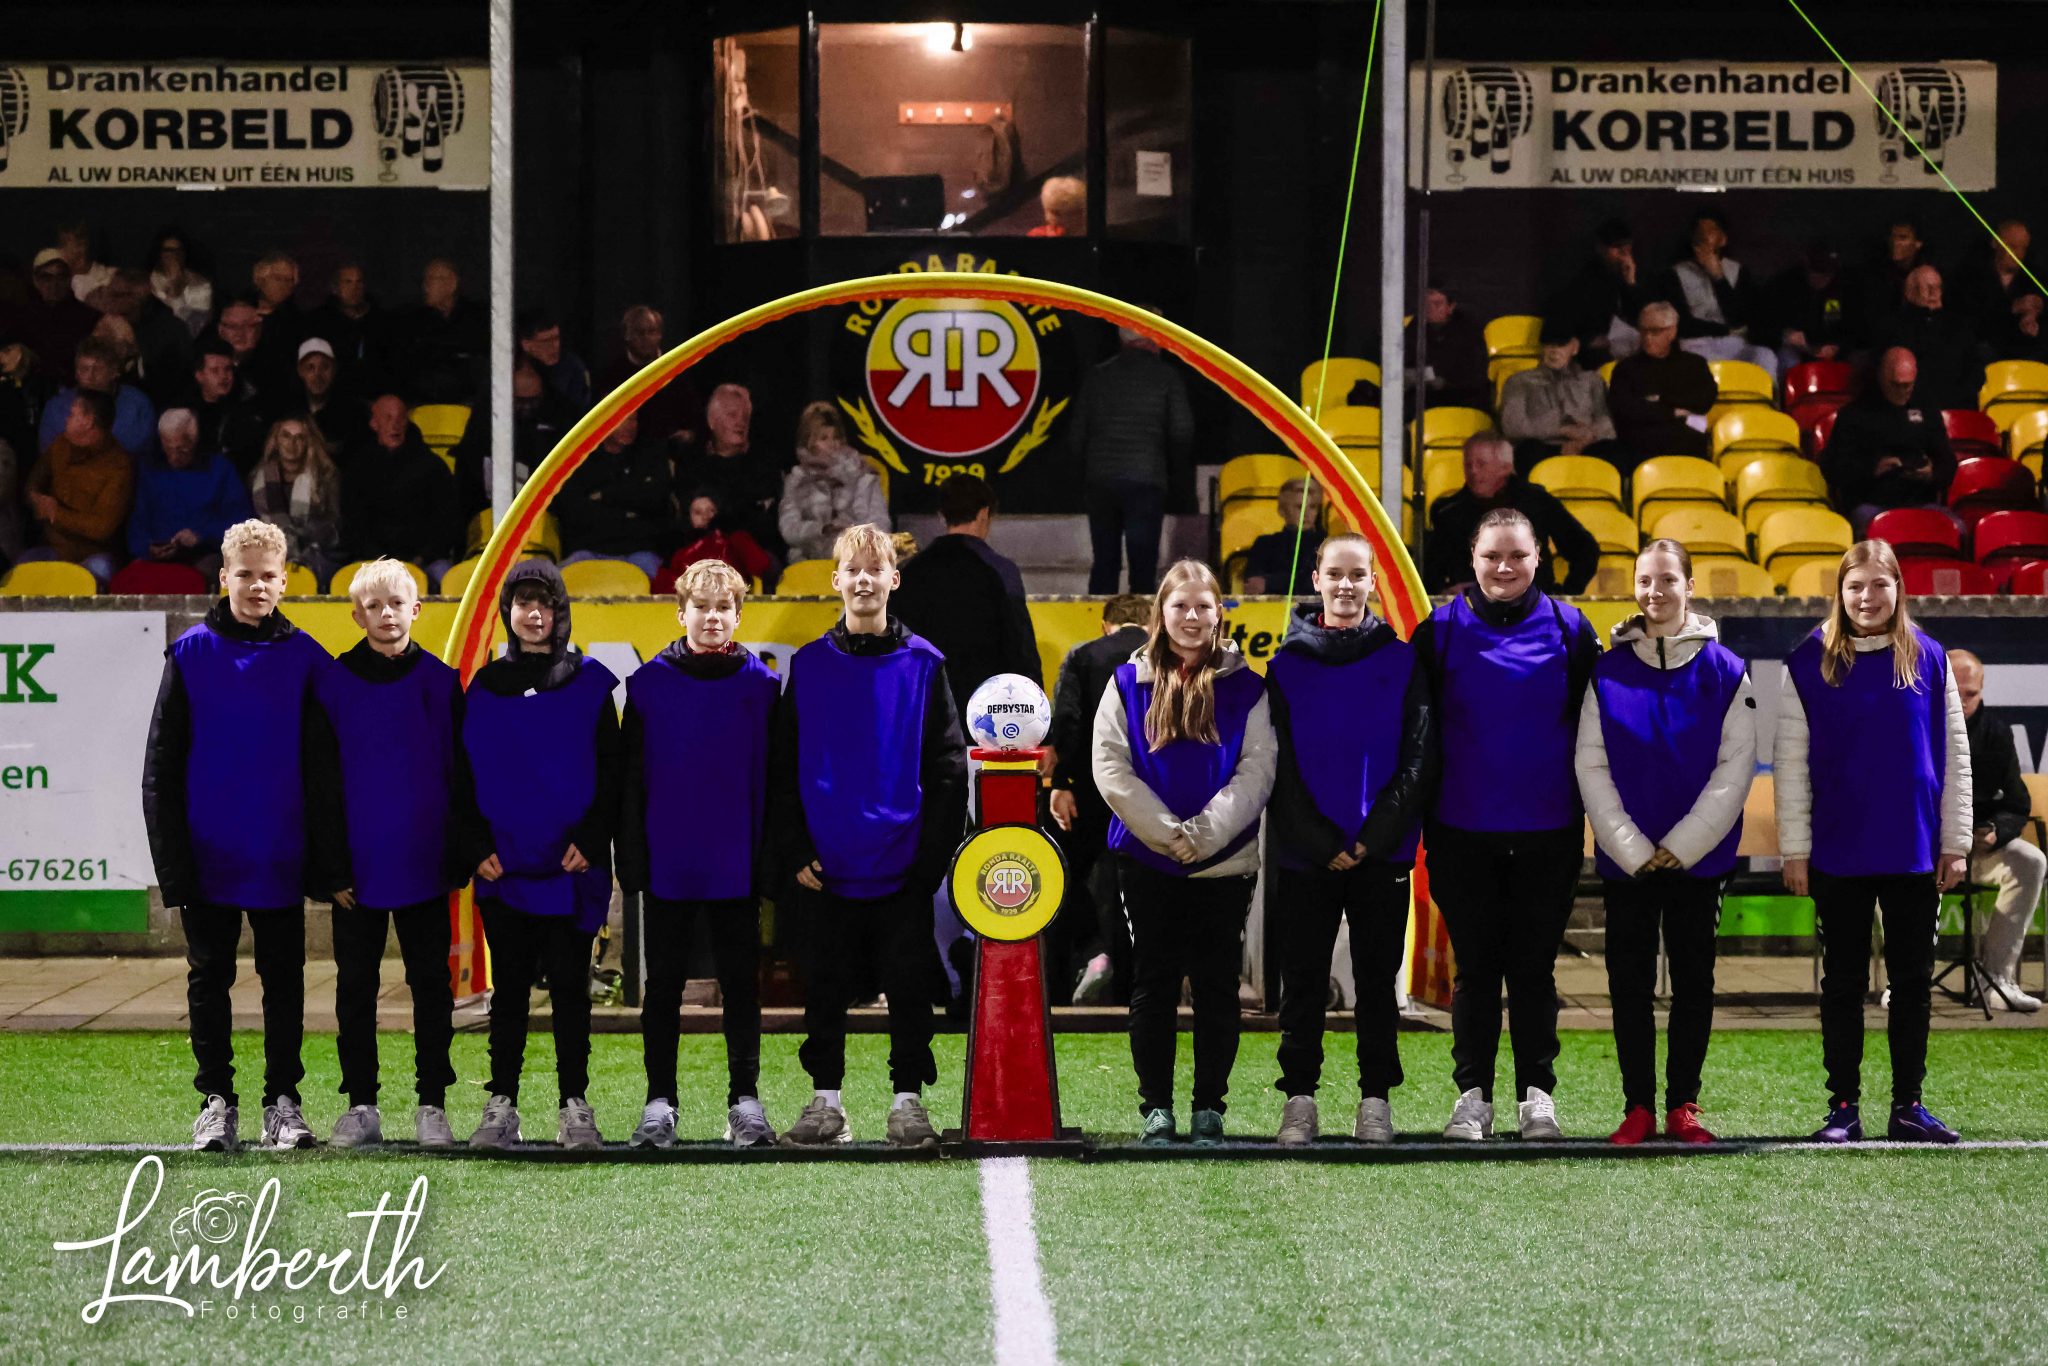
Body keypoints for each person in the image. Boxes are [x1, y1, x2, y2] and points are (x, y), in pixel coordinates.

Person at [770, 524, 968, 1149]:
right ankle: (825, 1103)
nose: (862, 580)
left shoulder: (926, 663)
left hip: (902, 867)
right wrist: (796, 848)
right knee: (823, 990)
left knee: (909, 992)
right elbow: (783, 765)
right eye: (852, 570)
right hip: (826, 868)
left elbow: (948, 770)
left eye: (874, 569)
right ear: (835, 580)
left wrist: (929, 861)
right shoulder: (808, 664)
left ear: (893, 579)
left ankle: (907, 1103)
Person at [141, 518, 334, 1151]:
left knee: (285, 981)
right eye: (244, 574)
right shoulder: (190, 653)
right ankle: (216, 1102)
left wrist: (326, 861)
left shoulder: (306, 657)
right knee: (209, 980)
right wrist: (173, 867)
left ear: (285, 581)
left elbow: (329, 767)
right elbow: (160, 768)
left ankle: (283, 1102)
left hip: (280, 855)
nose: (256, 586)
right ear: (223, 577)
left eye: (267, 576)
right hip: (209, 858)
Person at [1412, 507, 1600, 1142]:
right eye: (1492, 555)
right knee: (1474, 971)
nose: (1504, 566)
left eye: (1517, 555)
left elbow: (1595, 724)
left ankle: (1536, 1098)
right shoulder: (1439, 631)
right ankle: (1473, 1098)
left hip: (1549, 831)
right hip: (1461, 832)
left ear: (1538, 557)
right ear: (1472, 559)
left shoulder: (1571, 628)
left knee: (1533, 971)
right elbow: (1417, 734)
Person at [1776, 540, 1971, 1144]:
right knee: (1842, 985)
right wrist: (1795, 849)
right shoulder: (1807, 662)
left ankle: (1908, 1106)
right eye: (1855, 586)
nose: (1867, 597)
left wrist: (1956, 841)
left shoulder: (1929, 657)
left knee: (1911, 984)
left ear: (1898, 589)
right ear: (1840, 592)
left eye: (1879, 585)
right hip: (1838, 853)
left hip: (1914, 850)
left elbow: (1954, 758)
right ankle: (1843, 1109)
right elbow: (1790, 766)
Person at [1574, 540, 1756, 1146]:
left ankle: (1683, 1106)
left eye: (1667, 580)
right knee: (1628, 987)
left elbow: (1736, 769)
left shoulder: (1726, 670)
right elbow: (1591, 764)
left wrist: (1684, 844)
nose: (1655, 592)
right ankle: (1638, 1108)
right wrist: (1630, 846)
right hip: (1627, 864)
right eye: (1645, 581)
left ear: (1689, 586)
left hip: (1700, 864)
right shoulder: (1606, 671)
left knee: (1693, 985)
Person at [1093, 559, 1277, 1146]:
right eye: (1180, 606)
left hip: (1224, 863)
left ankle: (1208, 1109)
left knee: (1218, 987)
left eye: (1203, 606)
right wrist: (1167, 833)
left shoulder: (1249, 688)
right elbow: (1110, 767)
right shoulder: (1126, 682)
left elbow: (1257, 771)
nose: (1192, 617)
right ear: (1161, 614)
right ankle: (1157, 1109)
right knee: (1154, 983)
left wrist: (1203, 836)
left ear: (1219, 613)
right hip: (1146, 860)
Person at [1268, 534, 1433, 1145]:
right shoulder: (1285, 666)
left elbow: (1419, 758)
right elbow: (1276, 766)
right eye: (1335, 573)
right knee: (1302, 983)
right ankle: (1300, 1099)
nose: (1345, 584)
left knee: (1377, 985)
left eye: (1357, 574)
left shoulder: (1403, 661)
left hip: (1380, 852)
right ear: (1316, 579)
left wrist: (1373, 837)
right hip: (1305, 854)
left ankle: (1375, 1099)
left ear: (1372, 581)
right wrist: (1317, 840)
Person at [617, 559, 782, 1149]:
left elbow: (776, 782)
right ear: (680, 613)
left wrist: (768, 861)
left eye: (723, 608)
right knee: (662, 988)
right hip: (669, 862)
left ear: (739, 615)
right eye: (702, 607)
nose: (712, 617)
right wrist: (631, 859)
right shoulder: (648, 685)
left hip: (737, 863)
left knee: (741, 986)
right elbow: (630, 782)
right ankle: (659, 1102)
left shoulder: (762, 686)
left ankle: (745, 1102)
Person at [461, 559, 622, 1150]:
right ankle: (501, 1103)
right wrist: (476, 846)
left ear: (560, 611)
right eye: (522, 603)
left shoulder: (591, 683)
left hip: (571, 869)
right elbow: (462, 774)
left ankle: (574, 1104)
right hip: (503, 868)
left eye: (544, 603)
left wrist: (593, 838)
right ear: (508, 612)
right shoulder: (484, 688)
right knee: (508, 993)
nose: (533, 614)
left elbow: (613, 770)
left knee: (571, 991)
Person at [311, 559, 466, 1149]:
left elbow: (460, 777)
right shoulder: (333, 683)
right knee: (356, 987)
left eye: (396, 604)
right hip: (356, 871)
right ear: (357, 616)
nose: (386, 614)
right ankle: (361, 1104)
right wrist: (330, 867)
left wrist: (456, 855)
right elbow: (319, 783)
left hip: (426, 865)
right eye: (373, 606)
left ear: (415, 610)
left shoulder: (442, 683)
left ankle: (433, 1104)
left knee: (431, 985)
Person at [1047, 595, 1152, 1005]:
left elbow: (1067, 720)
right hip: (1149, 792)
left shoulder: (1082, 655)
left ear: (1105, 623)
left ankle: (1075, 968)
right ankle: (1133, 987)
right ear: (1150, 623)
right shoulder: (1162, 655)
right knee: (1141, 887)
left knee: (1063, 877)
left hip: (1090, 789)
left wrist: (1062, 782)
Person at [892, 472, 1041, 722]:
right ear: (984, 514)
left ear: (942, 515)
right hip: (985, 713)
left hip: (924, 708)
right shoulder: (1000, 570)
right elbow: (1020, 647)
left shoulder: (909, 572)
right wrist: (1034, 715)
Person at [1950, 650, 2044, 1012]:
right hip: (1926, 849)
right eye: (1953, 691)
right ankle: (1904, 981)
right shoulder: (1910, 728)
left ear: (1982, 691)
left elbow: (2018, 804)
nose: (1962, 701)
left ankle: (1997, 980)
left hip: (1978, 847)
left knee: (2030, 861)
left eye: (1970, 693)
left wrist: (1994, 831)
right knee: (1891, 860)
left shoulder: (1996, 734)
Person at [1070, 320, 1194, 593]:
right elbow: (1182, 431)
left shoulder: (1097, 376)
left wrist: (1087, 471)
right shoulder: (1167, 377)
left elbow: (1077, 434)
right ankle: (1142, 618)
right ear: (1153, 338)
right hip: (1146, 479)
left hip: (1101, 480)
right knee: (1143, 565)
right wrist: (1172, 468)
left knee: (1104, 561)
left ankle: (1098, 615)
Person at [1423, 433, 1598, 595]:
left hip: (1533, 609)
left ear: (1505, 468)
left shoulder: (1537, 502)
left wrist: (1564, 594)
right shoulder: (1447, 513)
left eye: (1481, 464)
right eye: (1468, 465)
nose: (1473, 471)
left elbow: (1585, 549)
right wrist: (1443, 594)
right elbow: (1430, 572)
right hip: (1471, 610)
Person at [1824, 347, 1959, 537]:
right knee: (1872, 525)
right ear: (1882, 377)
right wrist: (1873, 469)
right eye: (1895, 385)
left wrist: (1931, 473)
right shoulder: (1854, 414)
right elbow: (1834, 468)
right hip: (1872, 503)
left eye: (1907, 385)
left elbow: (1947, 462)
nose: (1902, 391)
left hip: (1920, 503)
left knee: (1957, 528)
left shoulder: (1926, 411)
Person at [21, 388, 134, 586]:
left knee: (96, 574)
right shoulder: (60, 444)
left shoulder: (119, 466)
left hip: (93, 555)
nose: (66, 418)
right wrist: (35, 498)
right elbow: (33, 482)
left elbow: (102, 528)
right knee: (20, 570)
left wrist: (55, 513)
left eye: (72, 414)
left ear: (88, 421)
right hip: (52, 549)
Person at [128, 407, 252, 578]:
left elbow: (241, 524)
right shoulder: (150, 468)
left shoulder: (220, 470)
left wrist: (201, 535)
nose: (174, 456)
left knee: (198, 575)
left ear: (194, 441)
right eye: (168, 448)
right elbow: (138, 519)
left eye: (182, 449)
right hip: (157, 555)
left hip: (204, 553)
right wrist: (147, 547)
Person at [340, 395, 459, 572]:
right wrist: (379, 559)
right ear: (374, 423)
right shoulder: (358, 469)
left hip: (425, 562)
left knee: (444, 573)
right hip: (372, 562)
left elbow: (447, 521)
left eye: (400, 418)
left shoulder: (432, 466)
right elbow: (353, 524)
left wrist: (422, 558)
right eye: (388, 418)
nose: (395, 425)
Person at [556, 410, 673, 577]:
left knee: (661, 579)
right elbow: (575, 513)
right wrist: (628, 512)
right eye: (621, 420)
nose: (629, 426)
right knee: (559, 579)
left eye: (633, 419)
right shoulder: (580, 458)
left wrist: (605, 496)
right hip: (589, 549)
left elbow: (656, 500)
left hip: (640, 550)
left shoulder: (651, 453)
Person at [1663, 209, 1777, 379]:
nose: (1703, 236)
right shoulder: (1676, 273)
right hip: (1696, 344)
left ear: (1723, 239)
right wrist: (1724, 330)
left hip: (1733, 344)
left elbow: (1740, 318)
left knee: (1765, 356)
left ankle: (1765, 397)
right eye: (1699, 231)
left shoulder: (1737, 271)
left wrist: (1718, 277)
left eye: (1710, 231)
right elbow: (1681, 322)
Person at [1498, 320, 1623, 473]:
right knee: (1528, 450)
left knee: (1613, 451)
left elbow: (1607, 426)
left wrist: (1582, 442)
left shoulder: (1592, 380)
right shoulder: (1519, 381)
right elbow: (1512, 427)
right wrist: (1562, 430)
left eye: (1561, 345)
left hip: (1587, 446)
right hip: (1544, 447)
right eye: (1549, 345)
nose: (1554, 351)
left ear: (1575, 347)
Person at [777, 401, 889, 563]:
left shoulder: (863, 475)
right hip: (810, 562)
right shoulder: (797, 479)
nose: (833, 444)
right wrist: (821, 530)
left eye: (836, 437)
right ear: (809, 442)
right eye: (824, 438)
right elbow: (789, 529)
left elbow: (880, 523)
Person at [1607, 301, 1718, 464]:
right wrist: (1673, 411)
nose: (1647, 337)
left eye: (1655, 331)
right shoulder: (1625, 369)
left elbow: (1703, 400)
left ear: (1672, 332)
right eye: (1643, 330)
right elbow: (1626, 410)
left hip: (1686, 443)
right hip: (1641, 445)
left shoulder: (1694, 364)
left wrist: (1658, 400)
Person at [674, 382, 779, 552]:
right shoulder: (692, 461)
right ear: (712, 421)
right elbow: (690, 516)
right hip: (703, 550)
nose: (741, 423)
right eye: (732, 415)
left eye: (745, 417)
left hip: (753, 551)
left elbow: (763, 520)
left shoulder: (763, 462)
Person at [1868, 265, 1985, 414]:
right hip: (1907, 411)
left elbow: (1976, 373)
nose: (1933, 293)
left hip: (1955, 408)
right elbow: (1885, 374)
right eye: (1927, 287)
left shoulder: (1960, 327)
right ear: (1909, 292)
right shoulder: (1892, 327)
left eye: (1938, 287)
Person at [248, 416, 344, 585]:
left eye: (299, 437)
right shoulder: (259, 477)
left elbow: (334, 525)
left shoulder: (326, 478)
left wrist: (301, 542)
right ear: (276, 441)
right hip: (270, 553)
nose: (292, 444)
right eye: (286, 436)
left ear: (308, 442)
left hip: (319, 554)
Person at [38, 336, 159, 459]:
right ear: (76, 373)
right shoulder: (56, 407)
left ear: (115, 372)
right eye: (84, 369)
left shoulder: (138, 405)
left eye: (98, 369)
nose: (90, 376)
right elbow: (49, 456)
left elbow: (143, 455)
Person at [596, 305, 700, 446]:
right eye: (639, 332)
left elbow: (694, 419)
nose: (646, 338)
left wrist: (689, 435)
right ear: (627, 335)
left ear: (660, 334)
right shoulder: (612, 376)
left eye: (652, 331)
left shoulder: (677, 371)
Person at [388, 258, 487, 405]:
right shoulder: (414, 320)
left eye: (431, 280)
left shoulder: (477, 318)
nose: (425, 287)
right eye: (425, 281)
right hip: (424, 403)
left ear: (452, 284)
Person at [1548, 219, 1649, 363]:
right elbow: (1560, 330)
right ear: (1600, 248)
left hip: (1622, 345)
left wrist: (1630, 282)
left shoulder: (1627, 275)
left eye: (1628, 248)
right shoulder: (1582, 280)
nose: (1624, 254)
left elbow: (1640, 316)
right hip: (1589, 353)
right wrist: (1594, 340)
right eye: (1617, 247)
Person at [1763, 240, 1854, 378]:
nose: (1821, 278)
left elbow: (1845, 329)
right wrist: (1785, 335)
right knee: (1789, 358)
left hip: (1824, 351)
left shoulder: (1839, 289)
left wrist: (1836, 347)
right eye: (1817, 271)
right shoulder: (1784, 285)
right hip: (1792, 350)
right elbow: (1764, 326)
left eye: (1827, 274)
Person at [8, 249, 99, 383]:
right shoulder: (22, 316)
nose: (54, 284)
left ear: (69, 279)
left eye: (61, 277)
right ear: (36, 280)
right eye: (47, 277)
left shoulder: (88, 316)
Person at [661, 487, 776, 591]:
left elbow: (763, 567)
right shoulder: (679, 552)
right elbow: (663, 589)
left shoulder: (735, 540)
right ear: (688, 517)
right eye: (698, 512)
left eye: (711, 510)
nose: (705, 516)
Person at [1961, 219, 2044, 360]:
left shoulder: (2033, 276)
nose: (2018, 254)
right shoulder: (1974, 275)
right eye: (2012, 247)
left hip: (2022, 354)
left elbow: (2040, 302)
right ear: (1995, 243)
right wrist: (2013, 307)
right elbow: (1971, 318)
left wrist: (2033, 314)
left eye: (2023, 248)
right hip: (1984, 351)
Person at [1403, 283, 1491, 410]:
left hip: (1464, 399)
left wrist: (1439, 378)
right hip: (1426, 399)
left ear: (1451, 307)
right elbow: (1406, 363)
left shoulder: (1468, 329)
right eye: (1426, 304)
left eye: (1437, 304)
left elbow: (1474, 373)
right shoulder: (1415, 327)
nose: (1430, 309)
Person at [186, 341, 268, 475]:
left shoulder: (247, 409)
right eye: (215, 370)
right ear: (199, 375)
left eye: (228, 369)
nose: (223, 376)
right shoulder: (185, 412)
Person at [306, 262, 392, 388]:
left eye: (359, 282)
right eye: (348, 282)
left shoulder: (380, 319)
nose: (354, 288)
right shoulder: (319, 321)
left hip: (375, 390)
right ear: (335, 288)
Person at [285, 338, 370, 456]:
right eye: (310, 368)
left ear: (334, 370)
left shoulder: (352, 413)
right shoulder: (289, 412)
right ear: (300, 371)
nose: (318, 375)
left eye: (325, 367)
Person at [1240, 477, 1325, 595]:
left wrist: (1269, 583)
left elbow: (1319, 582)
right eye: (1299, 507)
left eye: (1313, 507)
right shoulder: (1264, 544)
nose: (1306, 513)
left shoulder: (1327, 544)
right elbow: (1253, 585)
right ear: (1282, 510)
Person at [517, 308, 592, 413]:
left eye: (556, 338)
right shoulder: (511, 367)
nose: (555, 346)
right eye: (546, 341)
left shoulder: (573, 367)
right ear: (526, 345)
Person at [148, 227, 214, 337]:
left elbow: (194, 329)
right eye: (168, 251)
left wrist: (176, 294)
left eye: (179, 251)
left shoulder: (201, 285)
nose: (174, 256)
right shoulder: (145, 281)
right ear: (159, 253)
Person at [55, 222, 115, 303]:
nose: (61, 251)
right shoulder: (56, 283)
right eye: (63, 243)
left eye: (79, 244)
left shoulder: (111, 279)